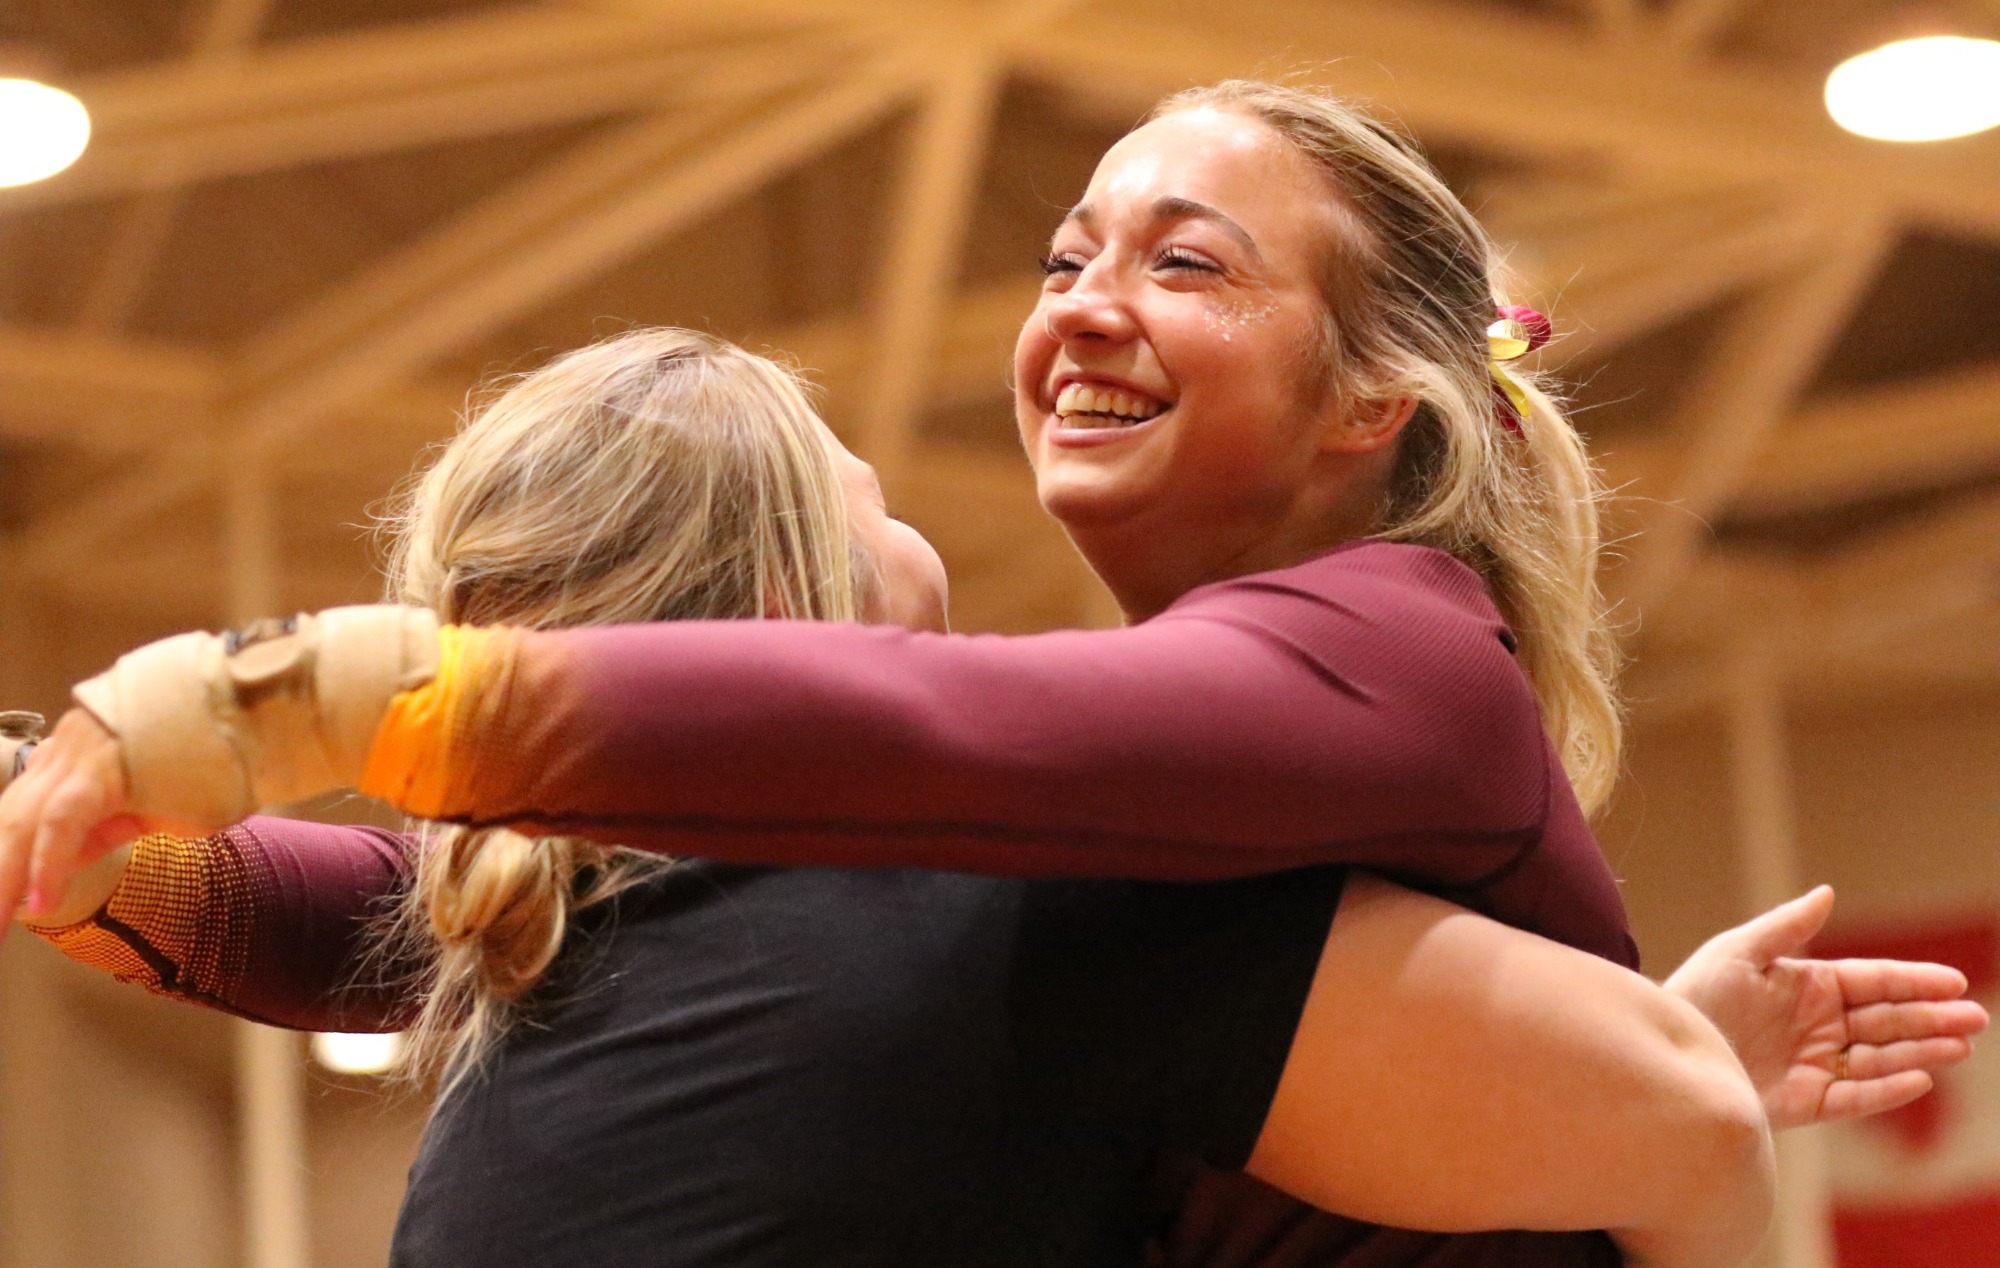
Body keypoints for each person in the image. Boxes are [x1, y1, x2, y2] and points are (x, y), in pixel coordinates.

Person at [0, 80, 1983, 1264]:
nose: (1080, 309)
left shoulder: (1402, 650)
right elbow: (430, 907)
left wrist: (277, 701)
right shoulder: (901, 907)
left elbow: (944, 744)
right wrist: (66, 824)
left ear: (1378, 401)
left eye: (1183, 262)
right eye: (1061, 256)